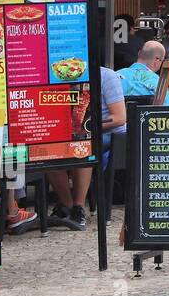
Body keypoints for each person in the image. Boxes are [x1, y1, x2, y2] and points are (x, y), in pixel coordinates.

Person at [48, 66, 127, 230]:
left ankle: (78, 206)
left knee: (83, 142)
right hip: (71, 133)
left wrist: (87, 126)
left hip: (109, 135)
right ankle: (68, 206)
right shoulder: (59, 77)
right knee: (46, 150)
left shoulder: (107, 76)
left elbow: (119, 118)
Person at [117, 40, 169, 105]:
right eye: (162, 61)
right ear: (157, 60)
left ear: (139, 53)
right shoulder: (159, 82)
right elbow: (167, 111)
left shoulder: (116, 75)